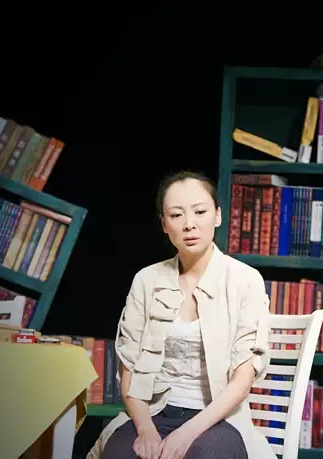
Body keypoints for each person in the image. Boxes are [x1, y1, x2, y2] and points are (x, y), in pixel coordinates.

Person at [87, 171, 276, 459]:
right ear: (164, 224)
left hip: (218, 418)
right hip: (153, 413)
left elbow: (242, 380)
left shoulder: (245, 280)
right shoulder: (146, 280)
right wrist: (145, 429)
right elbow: (129, 371)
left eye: (200, 212)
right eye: (176, 215)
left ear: (217, 215)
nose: (189, 224)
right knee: (119, 454)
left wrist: (187, 433)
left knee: (210, 455)